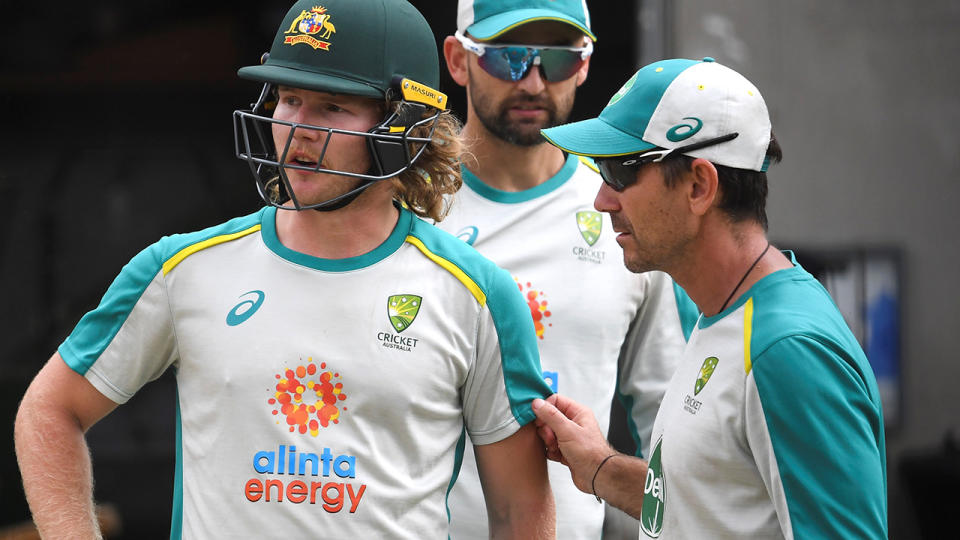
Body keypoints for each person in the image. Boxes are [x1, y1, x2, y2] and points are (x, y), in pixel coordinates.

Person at [13, 1, 556, 538]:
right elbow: (49, 412)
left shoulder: (479, 295)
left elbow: (519, 511)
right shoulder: (180, 269)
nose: (296, 127)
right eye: (288, 99)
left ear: (405, 128)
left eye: (331, 107)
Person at [531, 57, 888, 538]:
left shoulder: (786, 348)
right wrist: (601, 468)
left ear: (700, 185)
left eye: (618, 170)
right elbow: (716, 502)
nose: (601, 200)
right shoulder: (729, 312)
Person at [439, 1, 697, 538]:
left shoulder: (626, 213)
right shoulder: (400, 207)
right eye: (508, 57)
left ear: (583, 66)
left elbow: (673, 429)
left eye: (557, 60)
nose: (533, 82)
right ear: (458, 60)